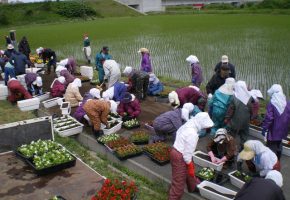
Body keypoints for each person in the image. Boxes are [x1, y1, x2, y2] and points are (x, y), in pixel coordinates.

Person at [169, 113, 214, 199]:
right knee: (178, 183)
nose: (205, 128)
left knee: (189, 173)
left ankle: (193, 187)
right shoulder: (192, 134)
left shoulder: (189, 123)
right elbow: (187, 156)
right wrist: (190, 166)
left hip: (176, 150)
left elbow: (178, 132)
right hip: (180, 155)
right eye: (205, 126)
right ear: (201, 123)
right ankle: (173, 197)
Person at [262, 84, 290, 160]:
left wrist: (264, 128)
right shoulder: (287, 103)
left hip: (273, 131)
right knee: (279, 145)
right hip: (283, 130)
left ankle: (272, 166)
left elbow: (269, 118)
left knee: (271, 149)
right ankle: (277, 163)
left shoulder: (272, 103)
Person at [224, 81, 253, 151]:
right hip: (245, 121)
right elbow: (251, 109)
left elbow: (231, 110)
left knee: (231, 135)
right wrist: (250, 117)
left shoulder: (234, 97)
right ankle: (242, 150)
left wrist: (226, 119)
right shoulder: (249, 97)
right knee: (244, 136)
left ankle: (229, 149)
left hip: (235, 121)